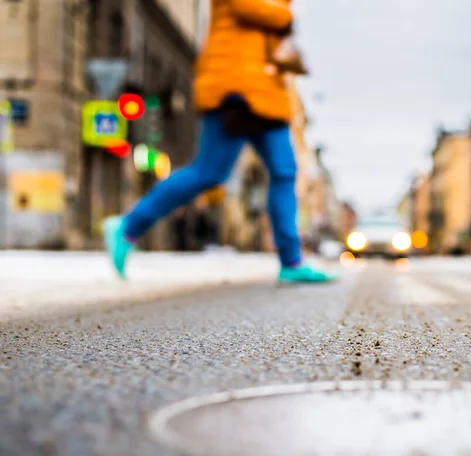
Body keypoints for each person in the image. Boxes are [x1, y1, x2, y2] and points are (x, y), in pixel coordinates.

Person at [103, 0, 337, 284]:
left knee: (284, 171)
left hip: (266, 93)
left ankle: (291, 260)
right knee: (209, 172)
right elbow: (252, 9)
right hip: (233, 89)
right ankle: (128, 226)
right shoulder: (275, 8)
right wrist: (285, 13)